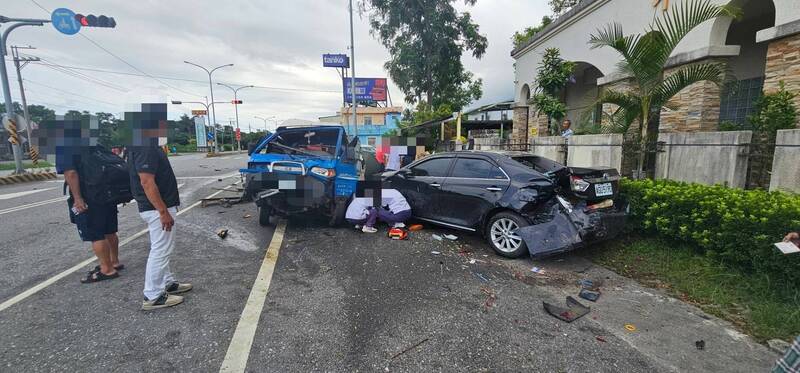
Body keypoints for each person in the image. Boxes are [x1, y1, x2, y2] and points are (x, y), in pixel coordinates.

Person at [129, 145, 192, 311]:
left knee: (162, 248)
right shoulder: (145, 147)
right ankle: (153, 295)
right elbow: (146, 181)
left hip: (157, 207)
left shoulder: (144, 144)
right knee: (161, 249)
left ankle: (167, 283)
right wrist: (163, 211)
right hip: (157, 208)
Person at [58, 146, 123, 283]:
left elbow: (71, 173)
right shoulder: (92, 144)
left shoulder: (64, 147)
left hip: (89, 196)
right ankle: (114, 262)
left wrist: (77, 198)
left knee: (96, 234)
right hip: (107, 194)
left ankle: (107, 269)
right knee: (109, 230)